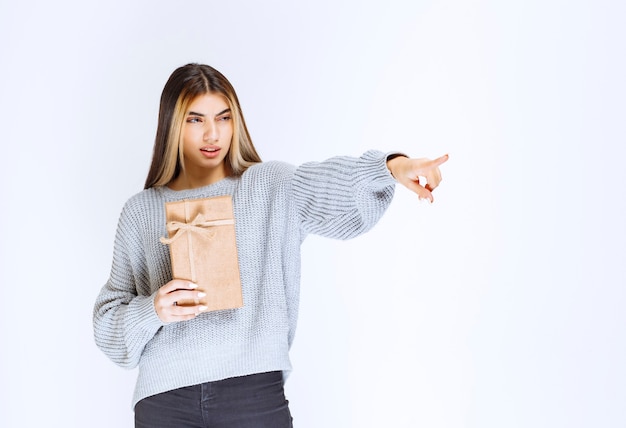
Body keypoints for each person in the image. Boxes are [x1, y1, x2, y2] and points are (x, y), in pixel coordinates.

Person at [93, 63, 448, 428]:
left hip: (253, 395)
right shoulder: (141, 211)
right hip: (165, 401)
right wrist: (154, 309)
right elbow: (109, 329)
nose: (212, 133)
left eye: (224, 117)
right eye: (195, 120)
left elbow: (331, 187)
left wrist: (390, 168)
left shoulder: (270, 186)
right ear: (172, 125)